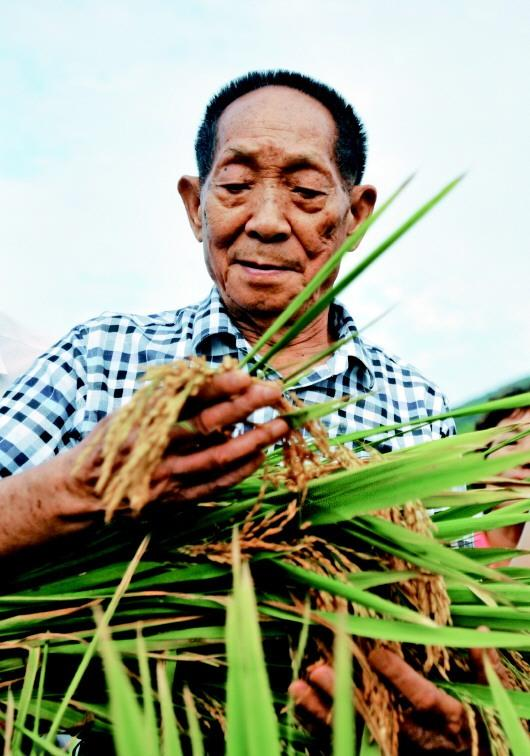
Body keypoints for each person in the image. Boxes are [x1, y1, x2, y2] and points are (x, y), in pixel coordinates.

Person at [0, 70, 481, 753]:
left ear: (356, 214)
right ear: (195, 206)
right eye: (233, 188)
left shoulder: (413, 408)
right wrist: (76, 489)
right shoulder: (101, 359)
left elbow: (457, 645)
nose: (265, 221)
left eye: (307, 192)